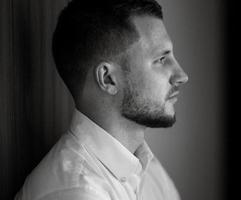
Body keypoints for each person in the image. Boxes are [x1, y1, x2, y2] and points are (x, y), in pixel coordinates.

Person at [15, 0, 188, 199]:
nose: (182, 75)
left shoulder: (148, 167)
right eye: (161, 59)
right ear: (108, 79)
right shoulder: (78, 192)